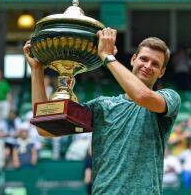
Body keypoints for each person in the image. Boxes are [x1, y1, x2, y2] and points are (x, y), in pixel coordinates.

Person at [23, 28, 181, 194]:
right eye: (144, 59)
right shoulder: (103, 106)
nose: (148, 65)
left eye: (155, 64)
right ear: (133, 59)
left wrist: (107, 57)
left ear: (162, 72)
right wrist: (36, 70)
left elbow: (142, 96)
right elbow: (44, 127)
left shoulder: (170, 98)